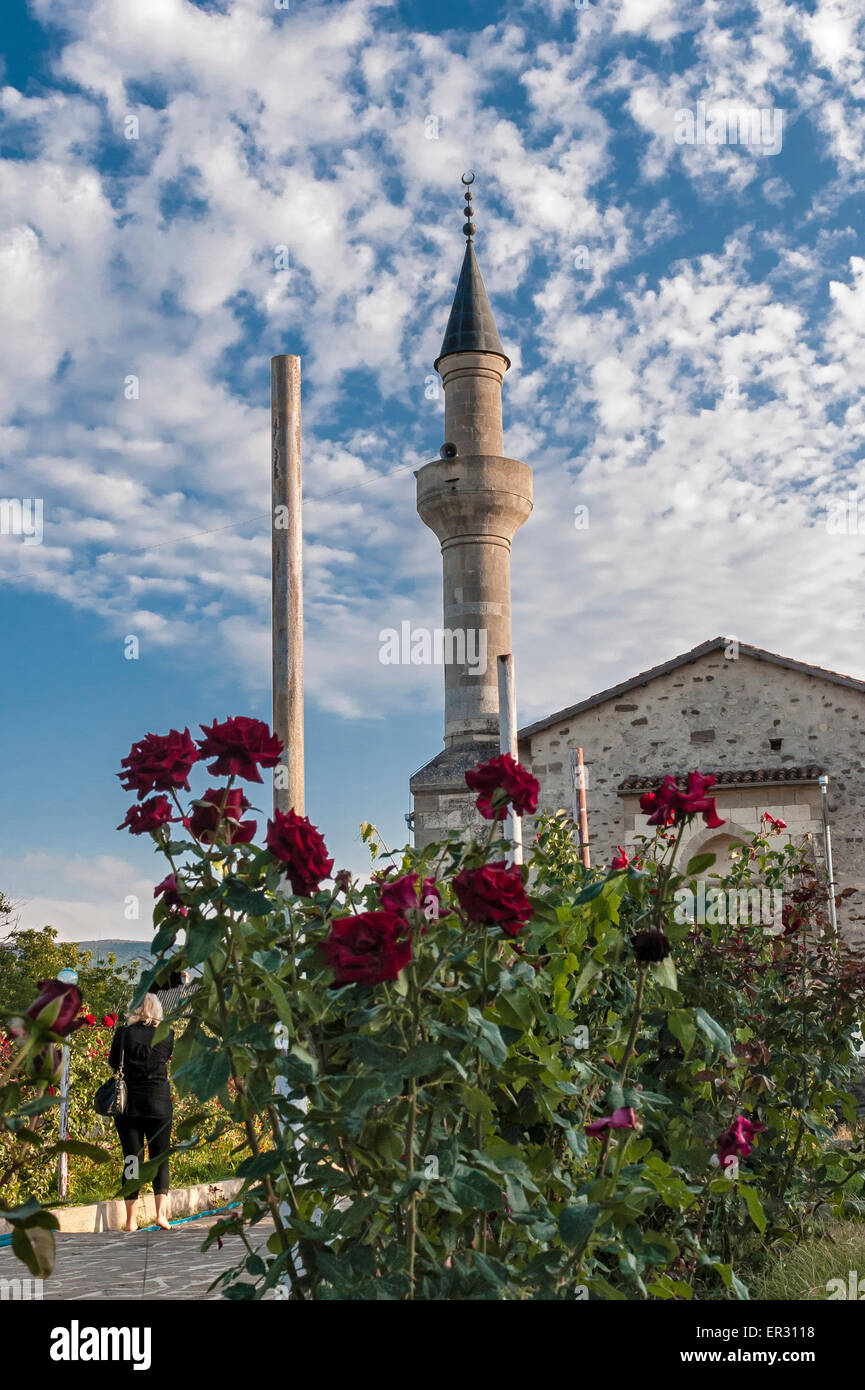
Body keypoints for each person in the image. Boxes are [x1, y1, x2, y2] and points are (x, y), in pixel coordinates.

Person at [108, 990, 174, 1232]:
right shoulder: (167, 1034)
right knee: (160, 1158)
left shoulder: (123, 1033)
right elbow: (165, 1057)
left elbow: (114, 1063)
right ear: (156, 1009)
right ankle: (160, 1215)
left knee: (132, 1159)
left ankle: (131, 1220)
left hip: (129, 1106)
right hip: (159, 1103)